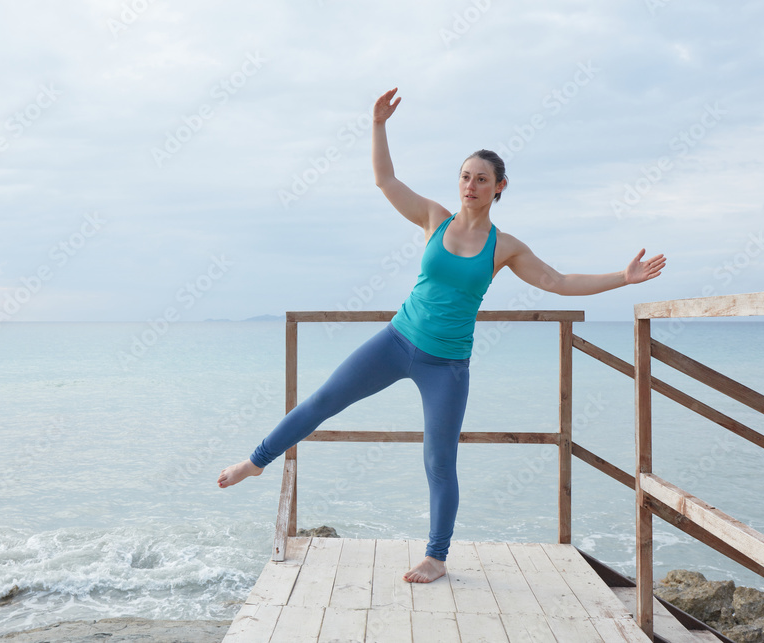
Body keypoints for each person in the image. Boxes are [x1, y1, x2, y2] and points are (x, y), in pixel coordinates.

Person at [218, 87, 666, 583]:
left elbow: (558, 283)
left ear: (500, 187)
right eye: (465, 176)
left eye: (481, 179)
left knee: (439, 460)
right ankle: (256, 461)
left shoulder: (505, 247)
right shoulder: (435, 218)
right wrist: (378, 125)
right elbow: (385, 180)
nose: (470, 185)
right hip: (395, 342)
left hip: (446, 366)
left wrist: (623, 278)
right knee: (323, 399)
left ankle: (436, 556)